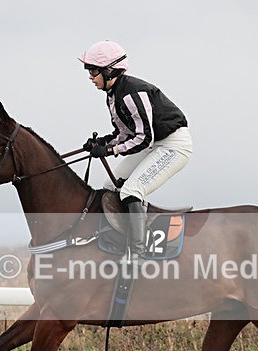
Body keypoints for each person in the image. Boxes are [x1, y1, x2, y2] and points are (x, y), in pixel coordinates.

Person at [79, 40, 192, 260]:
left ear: (109, 70)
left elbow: (143, 138)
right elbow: (124, 133)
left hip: (173, 145)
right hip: (154, 144)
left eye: (93, 71)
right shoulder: (112, 94)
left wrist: (111, 151)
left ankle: (137, 254)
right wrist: (102, 143)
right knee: (110, 186)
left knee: (131, 190)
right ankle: (119, 239)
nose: (90, 77)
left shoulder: (131, 93)